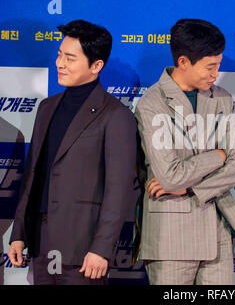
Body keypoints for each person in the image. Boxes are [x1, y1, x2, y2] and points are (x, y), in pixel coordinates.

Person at [7, 20, 139, 285]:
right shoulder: (47, 108)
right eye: (59, 55)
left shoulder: (116, 116)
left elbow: (119, 189)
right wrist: (18, 233)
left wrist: (102, 248)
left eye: (70, 58)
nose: (60, 63)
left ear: (96, 66)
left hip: (84, 249)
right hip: (41, 243)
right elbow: (33, 176)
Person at [134, 18, 235, 285]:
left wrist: (193, 189)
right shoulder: (152, 103)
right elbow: (170, 177)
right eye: (210, 67)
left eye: (219, 65)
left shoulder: (222, 97)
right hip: (170, 237)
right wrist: (219, 156)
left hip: (218, 235)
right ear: (183, 62)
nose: (216, 73)